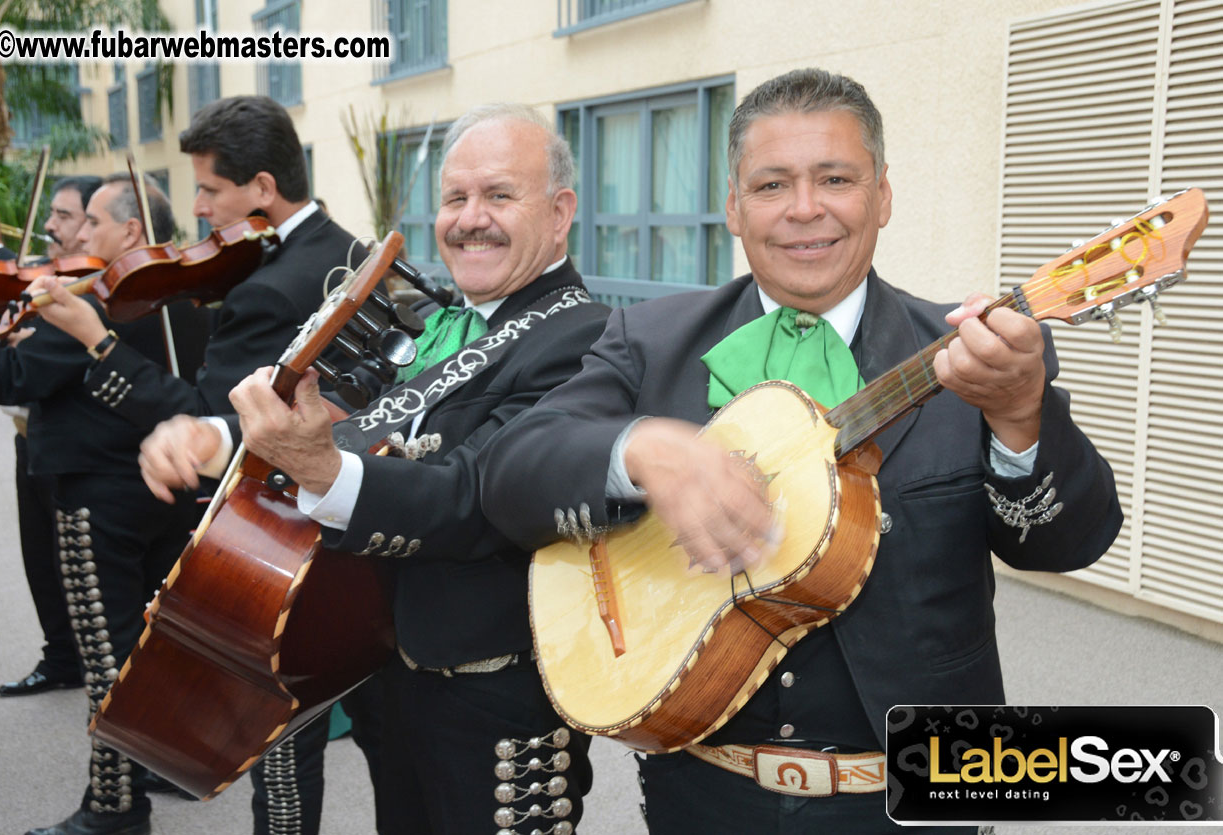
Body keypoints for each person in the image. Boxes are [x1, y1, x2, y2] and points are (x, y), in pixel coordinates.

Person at [478, 69, 1123, 834]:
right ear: (732, 207)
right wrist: (639, 447)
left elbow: (1066, 542)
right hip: (702, 787)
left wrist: (1020, 415)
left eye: (835, 179)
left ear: (881, 195)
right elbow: (508, 474)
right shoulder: (647, 339)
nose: (804, 208)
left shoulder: (979, 356)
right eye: (772, 183)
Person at [139, 103, 610, 835]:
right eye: (454, 198)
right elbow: (356, 421)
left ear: (559, 213)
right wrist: (217, 434)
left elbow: (471, 498)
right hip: (394, 682)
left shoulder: (584, 339)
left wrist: (320, 467)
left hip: (495, 705)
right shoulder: (448, 320)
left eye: (497, 195)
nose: (469, 218)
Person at [31, 96, 385, 835]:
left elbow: (201, 413)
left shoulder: (268, 287)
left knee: (282, 746)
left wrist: (99, 340)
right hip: (368, 517)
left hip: (281, 536)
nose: (196, 211)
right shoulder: (349, 249)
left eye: (210, 190)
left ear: (261, 188)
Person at [0, 173, 209, 835]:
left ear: (131, 233)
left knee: (108, 658)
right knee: (148, 647)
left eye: (91, 224)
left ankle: (114, 806)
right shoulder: (183, 294)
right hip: (162, 489)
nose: (77, 239)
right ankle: (160, 762)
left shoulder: (92, 305)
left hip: (96, 493)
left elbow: (5, 378)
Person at [0, 175, 105, 697]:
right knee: (39, 555)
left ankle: (83, 660)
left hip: (72, 444)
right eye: (50, 215)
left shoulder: (85, 293)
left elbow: (16, 374)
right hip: (27, 435)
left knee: (74, 566)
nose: (50, 227)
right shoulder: (47, 277)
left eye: (66, 217)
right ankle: (60, 657)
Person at [0, 174, 102, 261]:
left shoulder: (95, 278)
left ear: (92, 224)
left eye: (63, 216)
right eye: (52, 214)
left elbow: (26, 283)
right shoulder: (45, 264)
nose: (48, 225)